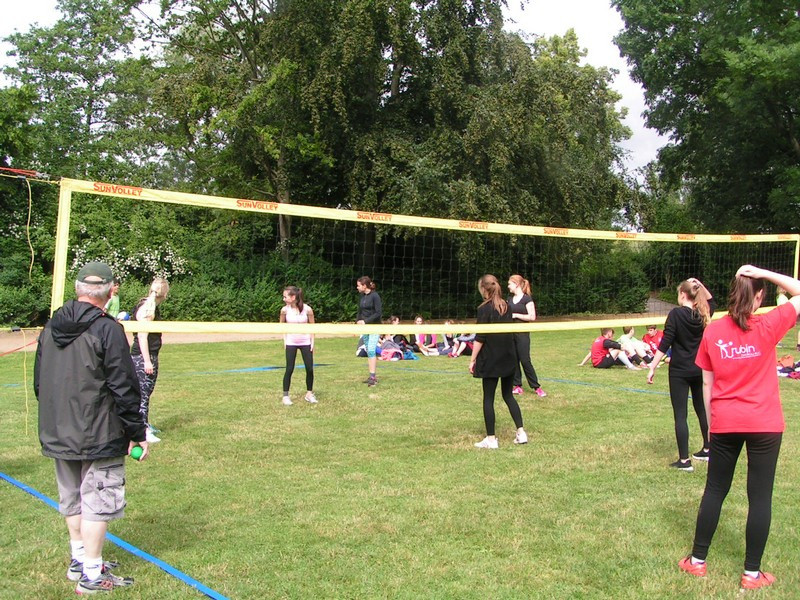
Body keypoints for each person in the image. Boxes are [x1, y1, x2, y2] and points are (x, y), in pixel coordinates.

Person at [678, 265, 800, 590]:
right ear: (759, 297)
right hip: (764, 423)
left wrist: (711, 426)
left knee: (715, 489)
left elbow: (707, 384)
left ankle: (697, 561)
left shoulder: (714, 331)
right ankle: (751, 574)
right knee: (760, 497)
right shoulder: (770, 323)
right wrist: (764, 272)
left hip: (726, 422)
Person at [33, 261, 147, 594]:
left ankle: (80, 560)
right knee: (98, 500)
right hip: (98, 430)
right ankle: (92, 573)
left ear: (78, 290)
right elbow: (124, 386)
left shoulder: (51, 325)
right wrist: (136, 433)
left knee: (73, 497)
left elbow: (40, 383)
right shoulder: (107, 329)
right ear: (111, 293)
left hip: (60, 428)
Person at [647, 278, 714, 472]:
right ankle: (708, 449)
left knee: (680, 415)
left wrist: (652, 367)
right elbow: (712, 301)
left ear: (683, 295)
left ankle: (684, 461)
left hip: (680, 371)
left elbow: (665, 342)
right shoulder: (703, 313)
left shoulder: (676, 314)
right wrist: (700, 285)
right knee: (702, 409)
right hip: (699, 369)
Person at [469, 274, 528, 449]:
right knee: (508, 395)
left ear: (484, 289)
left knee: (488, 398)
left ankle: (491, 439)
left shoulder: (484, 309)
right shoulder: (506, 306)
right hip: (508, 357)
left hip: (492, 359)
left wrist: (472, 360)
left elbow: (480, 338)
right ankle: (521, 432)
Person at [131, 277, 170, 443]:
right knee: (143, 394)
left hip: (149, 355)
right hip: (142, 357)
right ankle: (142, 430)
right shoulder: (147, 309)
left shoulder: (151, 306)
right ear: (165, 294)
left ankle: (145, 424)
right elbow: (142, 336)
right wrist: (147, 361)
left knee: (146, 393)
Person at [507, 275, 547, 397]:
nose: (508, 286)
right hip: (510, 334)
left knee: (525, 360)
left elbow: (532, 317)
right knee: (513, 360)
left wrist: (516, 315)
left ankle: (536, 387)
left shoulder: (527, 299)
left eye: (510, 284)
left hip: (522, 334)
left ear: (516, 284)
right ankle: (517, 386)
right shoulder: (509, 299)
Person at [280, 286, 317, 406]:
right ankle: (285, 396)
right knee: (289, 369)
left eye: (285, 297)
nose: (283, 299)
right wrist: (285, 340)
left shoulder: (307, 309)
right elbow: (281, 326)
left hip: (305, 342)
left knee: (309, 368)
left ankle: (309, 394)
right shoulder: (284, 310)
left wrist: (312, 342)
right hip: (291, 342)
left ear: (293, 297)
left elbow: (313, 326)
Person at [356, 276, 382, 387]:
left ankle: (373, 377)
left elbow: (378, 313)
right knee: (368, 350)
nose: (357, 287)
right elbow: (360, 311)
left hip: (374, 327)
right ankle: (371, 375)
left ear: (364, 286)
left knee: (371, 349)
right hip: (365, 328)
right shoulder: (362, 296)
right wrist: (357, 321)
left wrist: (365, 321)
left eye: (358, 285)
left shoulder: (375, 296)